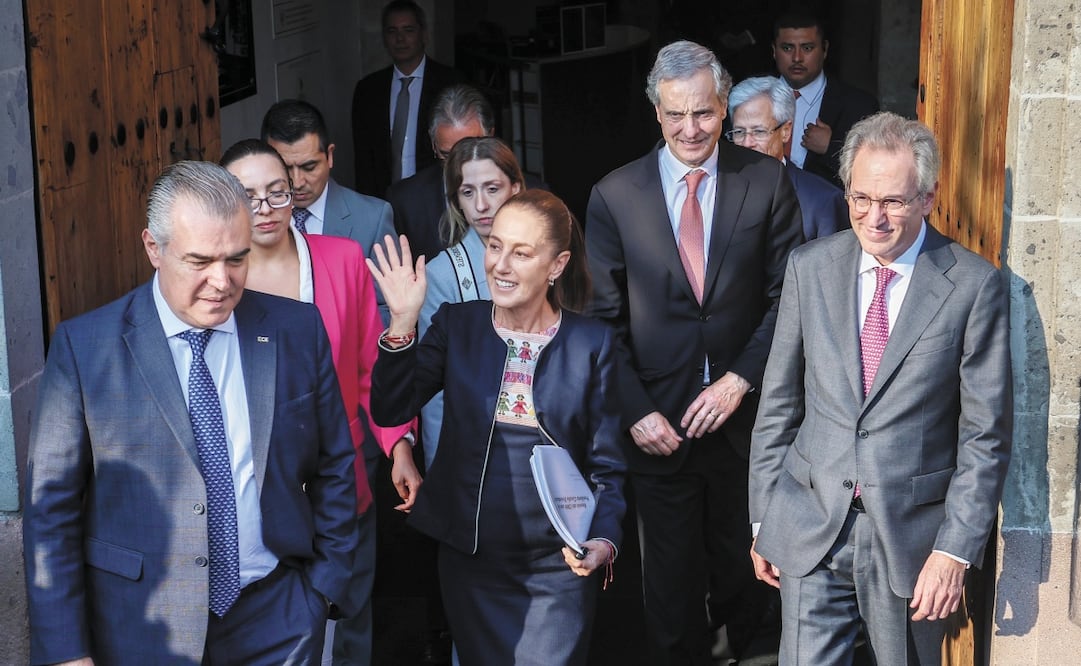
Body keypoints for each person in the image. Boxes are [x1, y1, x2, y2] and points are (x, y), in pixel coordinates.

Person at [23, 161, 358, 665]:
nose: (221, 281)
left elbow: (335, 464)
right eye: (199, 261)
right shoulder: (84, 348)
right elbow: (51, 514)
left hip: (278, 620)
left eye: (236, 259)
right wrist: (67, 651)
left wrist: (320, 591)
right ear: (153, 249)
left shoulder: (295, 329)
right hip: (141, 630)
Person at [748, 112, 1012, 664]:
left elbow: (984, 435)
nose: (875, 217)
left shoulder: (972, 286)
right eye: (861, 198)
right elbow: (778, 404)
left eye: (893, 201)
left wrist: (955, 551)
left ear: (928, 198)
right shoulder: (810, 267)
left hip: (910, 544)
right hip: (810, 524)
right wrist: (764, 518)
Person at [585, 40, 803, 664]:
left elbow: (788, 298)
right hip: (659, 429)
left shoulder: (764, 180)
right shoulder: (614, 195)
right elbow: (601, 323)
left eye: (704, 113)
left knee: (749, 583)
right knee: (671, 600)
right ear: (656, 111)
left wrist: (739, 380)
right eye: (676, 114)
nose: (690, 128)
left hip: (746, 429)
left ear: (722, 105)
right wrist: (634, 410)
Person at [367, 189, 627, 666]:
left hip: (560, 565)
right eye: (494, 246)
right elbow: (390, 409)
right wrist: (403, 321)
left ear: (557, 264)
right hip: (471, 558)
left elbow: (609, 464)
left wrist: (603, 541)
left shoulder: (593, 343)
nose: (501, 265)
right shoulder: (457, 325)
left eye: (522, 253)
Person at [219, 139, 420, 666]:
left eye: (275, 192)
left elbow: (368, 370)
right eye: (247, 195)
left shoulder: (340, 258)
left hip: (340, 475)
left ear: (294, 192)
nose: (264, 208)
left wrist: (399, 446)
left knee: (349, 621)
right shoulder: (217, 283)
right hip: (253, 488)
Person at [418, 136, 525, 470]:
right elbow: (433, 393)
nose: (481, 205)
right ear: (456, 201)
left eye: (492, 189)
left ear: (516, 189)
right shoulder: (444, 273)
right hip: (474, 453)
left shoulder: (546, 256)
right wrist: (440, 471)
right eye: (468, 192)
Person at [261, 98, 396, 325]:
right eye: (285, 168)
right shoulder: (253, 216)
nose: (297, 181)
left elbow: (390, 308)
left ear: (330, 156)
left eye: (309, 167)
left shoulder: (372, 219)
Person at [352, 0, 466, 197]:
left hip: (437, 196)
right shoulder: (368, 90)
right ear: (384, 38)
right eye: (392, 31)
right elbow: (364, 159)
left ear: (424, 34)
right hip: (384, 199)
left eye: (408, 30)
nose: (400, 38)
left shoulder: (451, 83)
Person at [727, 75, 848, 239]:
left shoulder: (822, 202)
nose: (747, 143)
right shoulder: (718, 192)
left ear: (786, 131)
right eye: (739, 132)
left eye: (759, 132)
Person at [386, 83, 496, 261]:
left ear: (490, 137)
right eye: (447, 154)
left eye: (470, 151)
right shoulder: (405, 201)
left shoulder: (528, 194)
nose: (459, 165)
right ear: (433, 145)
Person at [772, 10, 879, 186]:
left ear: (825, 50)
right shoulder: (752, 99)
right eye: (787, 48)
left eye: (807, 48)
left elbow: (875, 172)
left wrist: (832, 147)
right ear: (774, 51)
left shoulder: (859, 105)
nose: (797, 58)